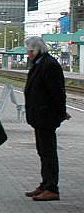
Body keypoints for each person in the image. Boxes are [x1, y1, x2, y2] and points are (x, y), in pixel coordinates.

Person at [23, 36, 67, 202]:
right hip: (39, 116)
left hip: (46, 116)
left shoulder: (49, 65)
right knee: (42, 150)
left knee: (48, 152)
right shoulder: (40, 63)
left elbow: (57, 92)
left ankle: (52, 188)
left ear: (35, 51)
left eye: (28, 51)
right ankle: (45, 184)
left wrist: (61, 113)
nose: (28, 54)